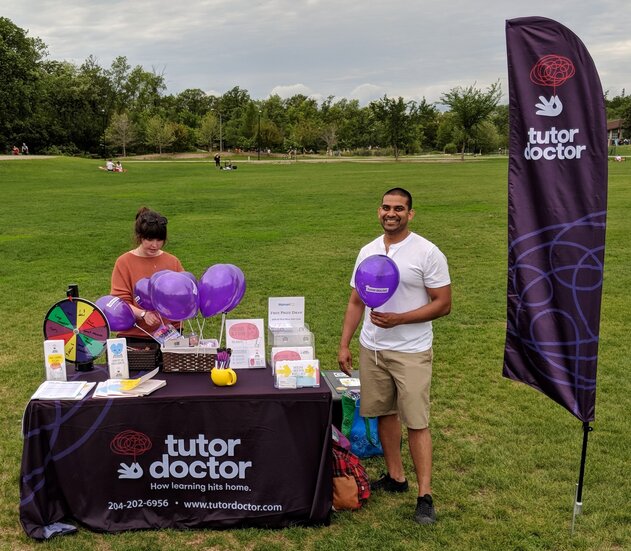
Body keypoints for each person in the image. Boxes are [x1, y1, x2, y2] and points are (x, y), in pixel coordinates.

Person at [338, 187, 451, 525]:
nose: (392, 213)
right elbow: (357, 300)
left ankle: (425, 496)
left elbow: (443, 304)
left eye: (399, 209)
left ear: (410, 214)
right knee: (385, 413)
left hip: (411, 351)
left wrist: (400, 319)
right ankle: (396, 477)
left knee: (416, 421)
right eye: (386, 207)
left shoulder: (427, 252)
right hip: (373, 349)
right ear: (379, 211)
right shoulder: (368, 251)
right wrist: (345, 343)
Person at [111, 207, 184, 341]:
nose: (155, 245)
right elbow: (120, 302)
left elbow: (184, 294)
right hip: (134, 334)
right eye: (149, 239)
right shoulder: (124, 262)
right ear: (139, 237)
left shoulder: (173, 261)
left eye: (159, 240)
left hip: (171, 334)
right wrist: (143, 314)